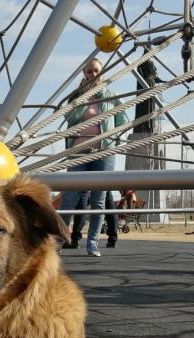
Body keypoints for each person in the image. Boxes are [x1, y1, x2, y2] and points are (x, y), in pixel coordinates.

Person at [59, 57, 128, 257]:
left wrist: (112, 140)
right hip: (78, 151)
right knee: (69, 198)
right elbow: (69, 119)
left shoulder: (111, 96)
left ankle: (93, 242)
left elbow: (123, 120)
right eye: (89, 71)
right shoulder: (77, 96)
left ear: (102, 71)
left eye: (96, 70)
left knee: (99, 200)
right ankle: (59, 239)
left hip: (103, 152)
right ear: (84, 74)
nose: (93, 74)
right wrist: (84, 98)